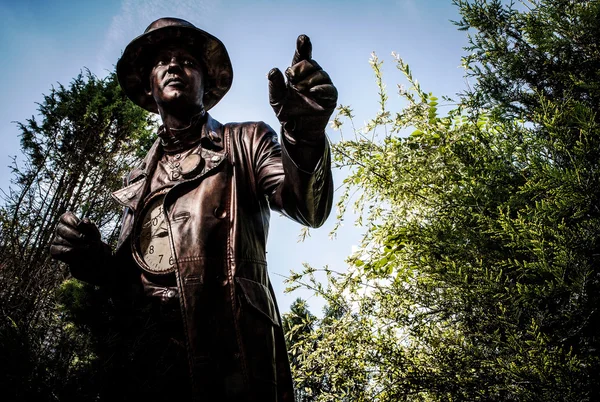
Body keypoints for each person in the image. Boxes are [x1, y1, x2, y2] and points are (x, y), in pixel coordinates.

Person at [49, 17, 336, 402]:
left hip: (232, 359)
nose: (172, 65)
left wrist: (304, 136)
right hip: (148, 365)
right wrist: (92, 259)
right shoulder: (138, 177)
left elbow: (307, 207)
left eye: (186, 60)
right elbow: (131, 278)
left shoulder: (245, 142)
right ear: (148, 87)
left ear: (206, 81)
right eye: (161, 60)